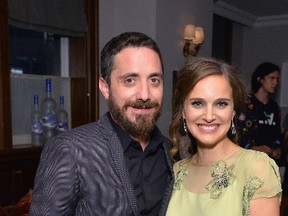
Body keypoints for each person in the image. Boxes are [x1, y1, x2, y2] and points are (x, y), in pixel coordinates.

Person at [29, 32, 174, 216]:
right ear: (105, 88)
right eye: (130, 80)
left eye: (154, 80)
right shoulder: (69, 150)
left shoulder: (172, 155)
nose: (144, 95)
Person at [166, 58, 282, 216]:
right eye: (197, 103)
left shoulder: (256, 168)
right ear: (183, 111)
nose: (209, 116)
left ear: (233, 111)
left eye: (221, 103)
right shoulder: (176, 172)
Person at [238, 62, 285, 167]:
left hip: (269, 164)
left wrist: (277, 149)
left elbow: (277, 133)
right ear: (260, 79)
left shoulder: (274, 107)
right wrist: (256, 148)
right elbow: (236, 135)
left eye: (277, 79)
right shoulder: (246, 104)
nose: (275, 83)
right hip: (248, 162)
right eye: (272, 78)